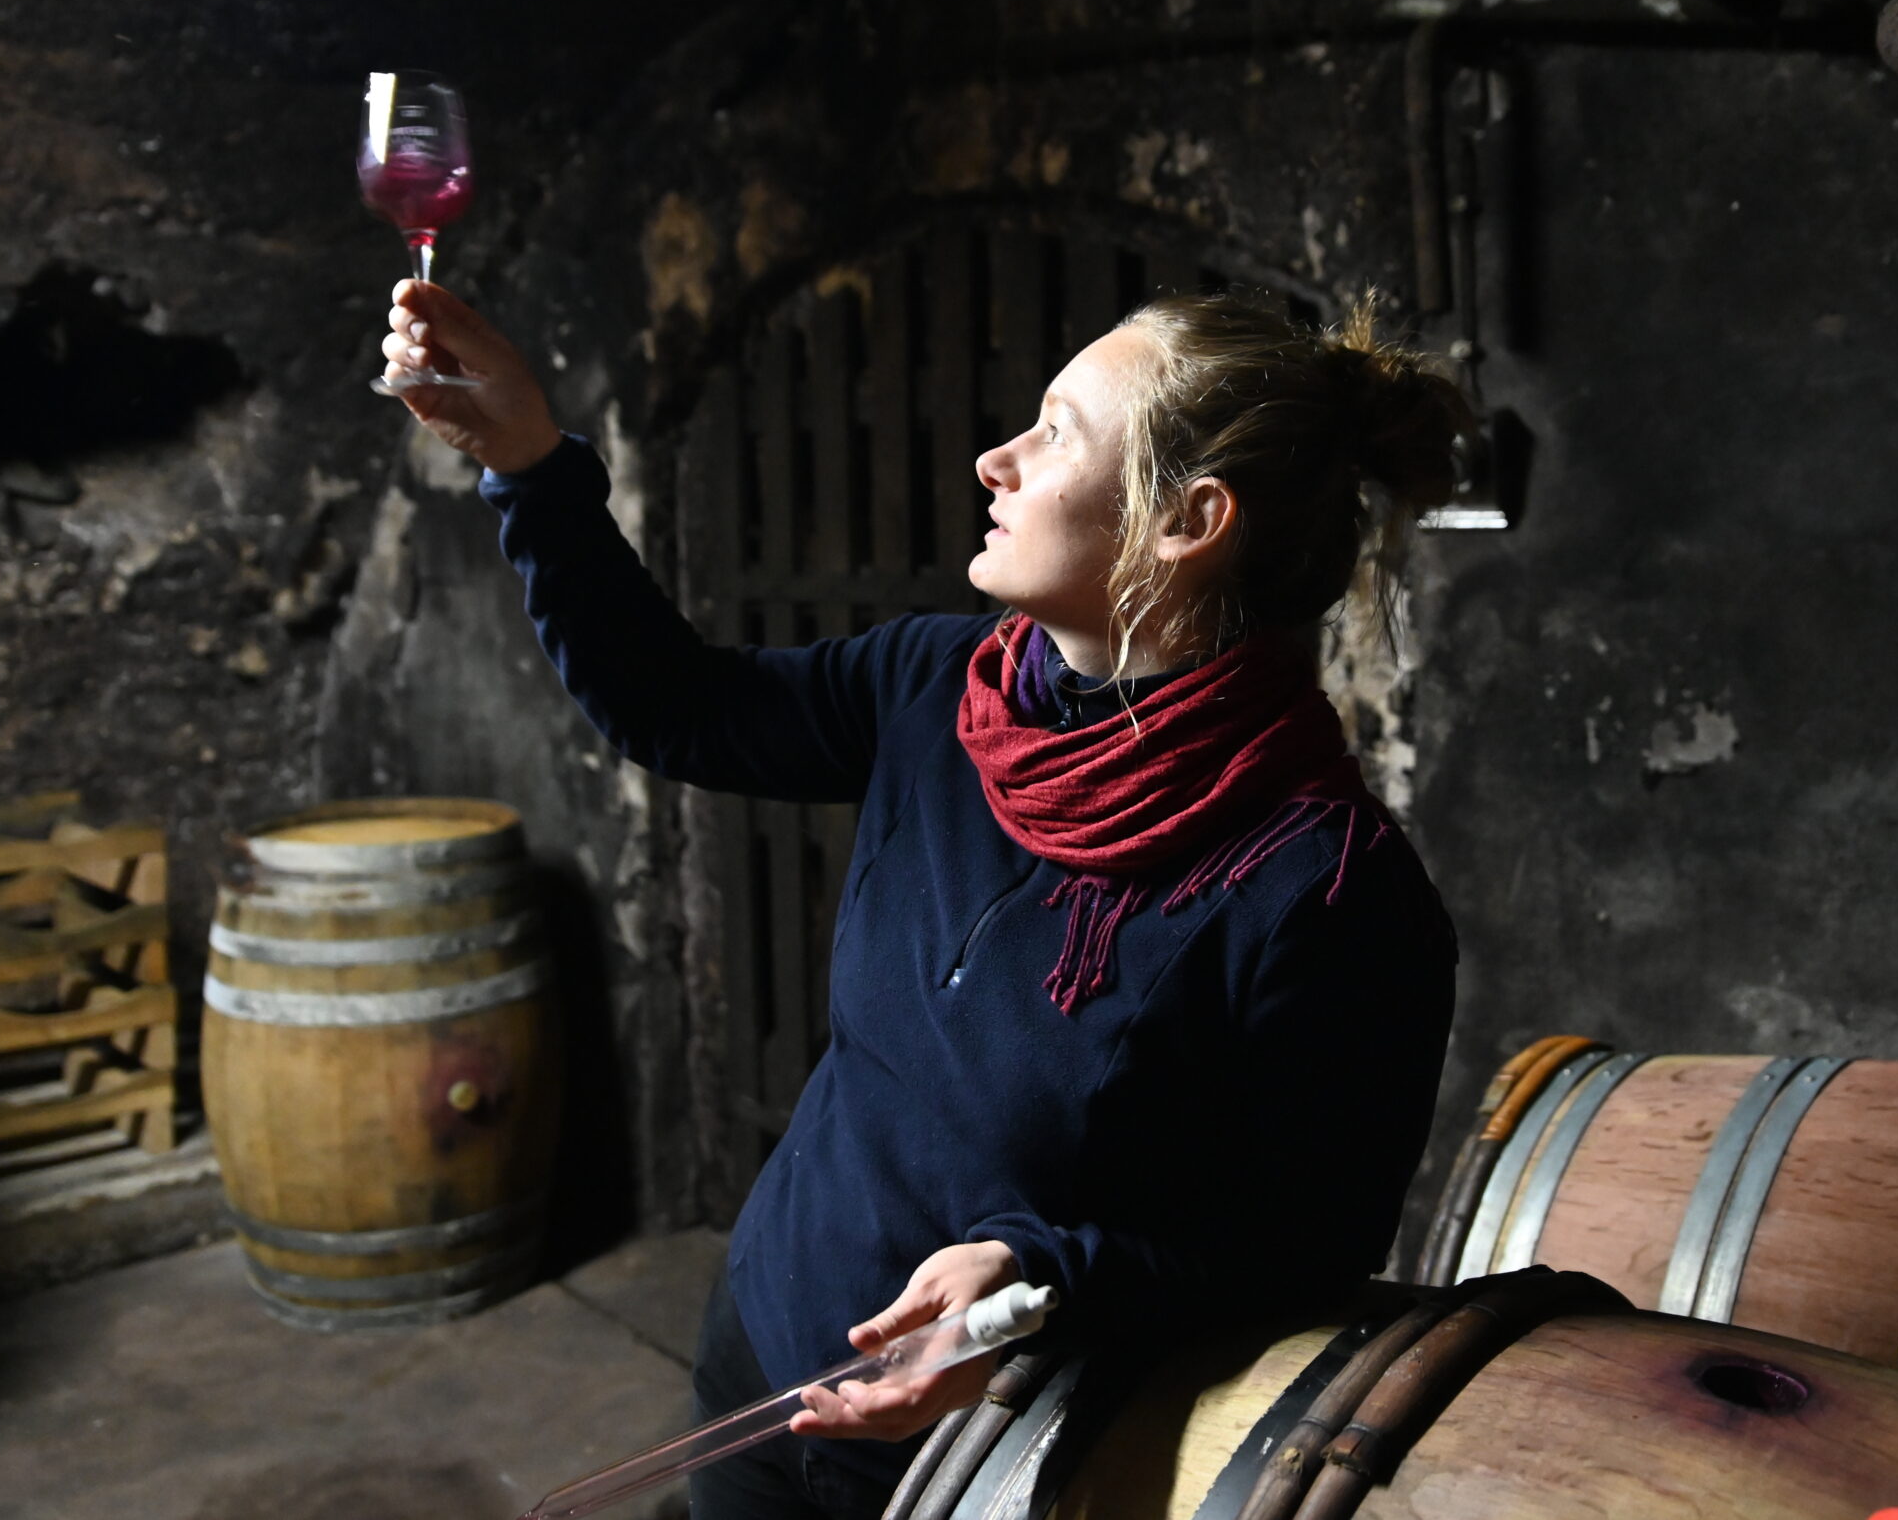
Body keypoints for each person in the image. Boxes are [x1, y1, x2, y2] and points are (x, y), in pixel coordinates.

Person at [381, 276, 1469, 1520]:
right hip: (763, 1335)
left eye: (1056, 430)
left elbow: (1300, 1258)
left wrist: (1032, 1279)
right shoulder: (941, 685)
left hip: (996, 1456)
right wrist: (528, 459)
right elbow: (678, 704)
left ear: (1188, 519)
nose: (994, 458)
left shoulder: (1324, 885)